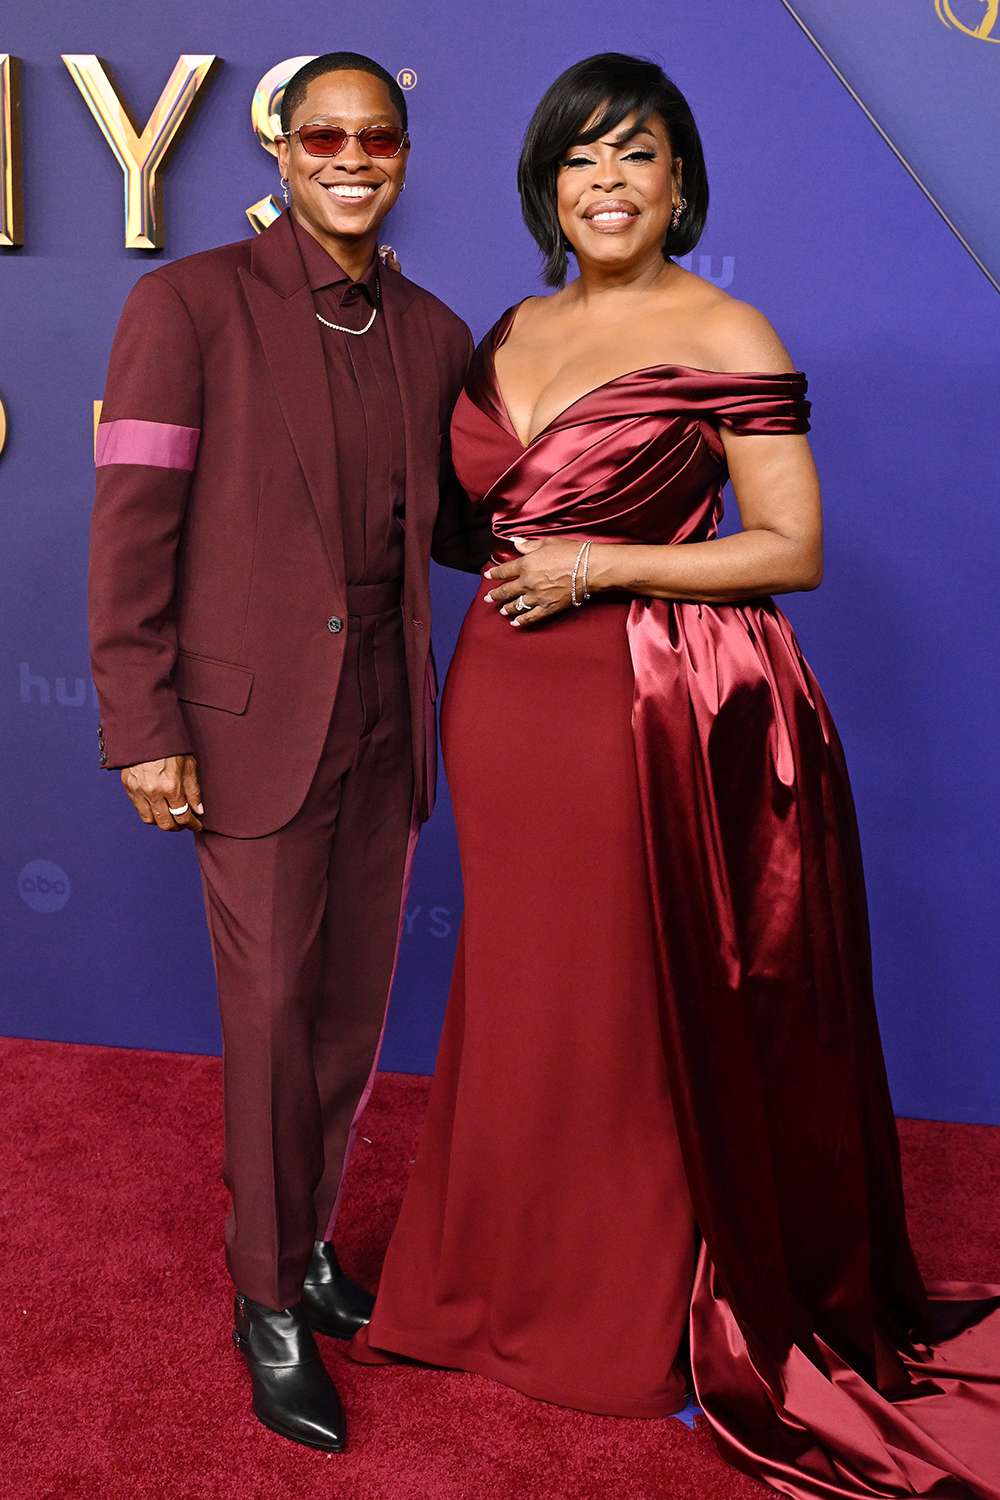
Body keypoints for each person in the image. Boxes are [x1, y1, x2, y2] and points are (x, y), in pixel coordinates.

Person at [351, 53, 1000, 1498]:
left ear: (682, 183)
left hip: (647, 695)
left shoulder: (728, 330)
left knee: (634, 994)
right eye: (581, 159)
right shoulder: (510, 324)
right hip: (503, 694)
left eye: (637, 157)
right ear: (547, 185)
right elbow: (460, 512)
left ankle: (623, 1312)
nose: (608, 183)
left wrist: (603, 562)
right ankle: (481, 1287)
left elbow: (789, 546)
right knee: (523, 980)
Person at [88, 51, 490, 1453]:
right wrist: (142, 727)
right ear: (280, 148)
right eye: (325, 133)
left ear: (404, 154)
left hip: (387, 722)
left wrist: (613, 481)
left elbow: (463, 527)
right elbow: (132, 529)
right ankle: (265, 1295)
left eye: (377, 136)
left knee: (343, 1019)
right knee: (266, 1028)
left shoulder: (437, 331)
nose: (352, 156)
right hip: (247, 733)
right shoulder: (184, 304)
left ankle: (308, 1245)